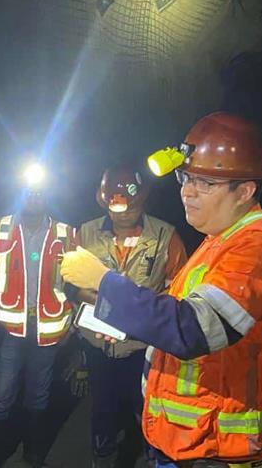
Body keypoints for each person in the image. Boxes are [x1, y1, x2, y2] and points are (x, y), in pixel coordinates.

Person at [61, 112, 262, 466]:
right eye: (186, 178)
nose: (187, 191)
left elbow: (193, 329)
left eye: (206, 183)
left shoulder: (256, 247)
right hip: (196, 442)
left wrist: (103, 282)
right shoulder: (220, 241)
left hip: (226, 451)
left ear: (244, 190)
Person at [73, 165, 187, 468]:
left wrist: (130, 311)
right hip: (98, 345)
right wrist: (104, 306)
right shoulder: (85, 233)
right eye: (114, 207)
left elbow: (177, 292)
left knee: (147, 407)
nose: (121, 214)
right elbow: (72, 285)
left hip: (142, 346)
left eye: (129, 207)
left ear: (143, 201)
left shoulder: (164, 235)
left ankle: (153, 456)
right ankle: (103, 455)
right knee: (102, 408)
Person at [0, 162, 78, 467]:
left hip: (48, 330)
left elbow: (80, 283)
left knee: (38, 397)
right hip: (8, 329)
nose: (33, 196)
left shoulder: (66, 234)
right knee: (1, 395)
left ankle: (33, 455)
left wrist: (73, 324)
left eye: (39, 191)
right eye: (28, 190)